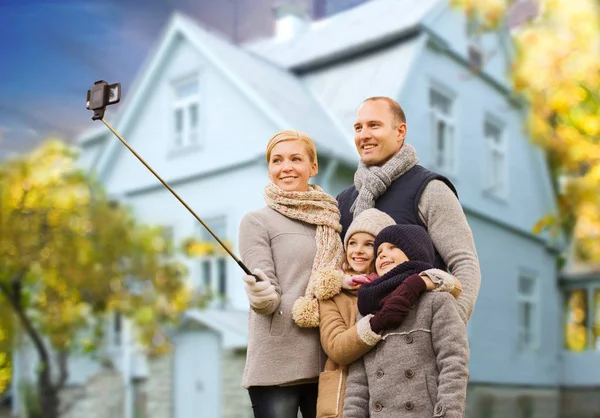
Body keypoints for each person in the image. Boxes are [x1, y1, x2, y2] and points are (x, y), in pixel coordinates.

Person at [338, 96, 481, 322]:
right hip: (354, 342)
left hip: (414, 340)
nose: (364, 135)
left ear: (400, 131)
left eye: (374, 125)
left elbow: (464, 263)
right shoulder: (345, 201)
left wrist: (449, 325)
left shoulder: (429, 189)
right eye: (358, 127)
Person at [238, 130, 346, 418]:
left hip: (328, 359)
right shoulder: (256, 221)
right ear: (270, 168)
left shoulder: (331, 221)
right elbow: (267, 297)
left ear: (313, 167)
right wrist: (260, 295)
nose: (286, 167)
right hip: (277, 362)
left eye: (295, 159)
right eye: (277, 160)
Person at [313, 208, 461, 418]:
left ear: (414, 251)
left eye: (391, 247)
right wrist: (378, 321)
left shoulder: (435, 298)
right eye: (380, 248)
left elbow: (453, 363)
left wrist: (416, 283)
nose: (382, 253)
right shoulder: (367, 307)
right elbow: (358, 380)